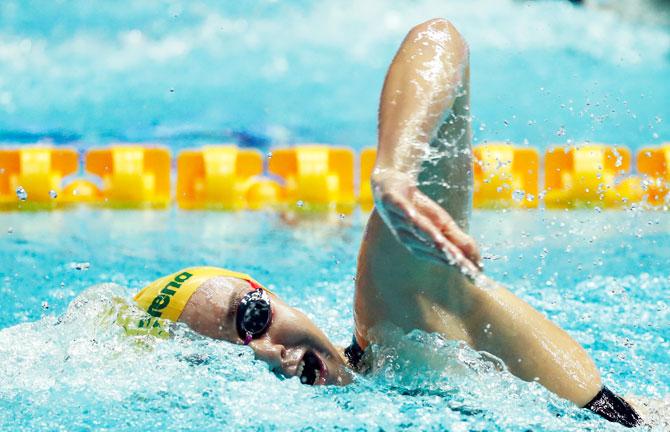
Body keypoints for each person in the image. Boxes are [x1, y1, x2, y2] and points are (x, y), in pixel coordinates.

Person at [120, 19, 641, 427]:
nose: (263, 353)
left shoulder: (402, 327)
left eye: (252, 318)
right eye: (224, 362)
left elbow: (439, 40)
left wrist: (395, 169)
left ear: (273, 296)